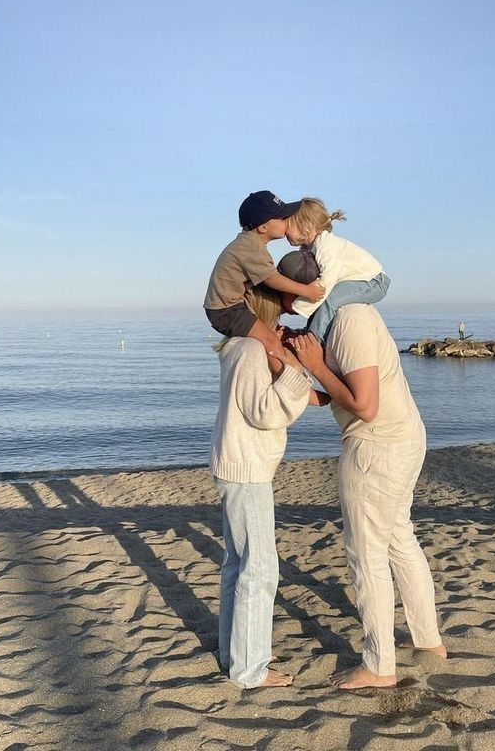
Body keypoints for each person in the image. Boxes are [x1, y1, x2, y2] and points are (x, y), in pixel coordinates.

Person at [276, 250, 446, 690]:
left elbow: (363, 405)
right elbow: (341, 391)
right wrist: (300, 357)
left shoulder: (350, 321)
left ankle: (378, 665)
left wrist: (313, 365)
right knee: (397, 539)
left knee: (366, 556)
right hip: (401, 437)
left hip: (376, 446)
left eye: (288, 294)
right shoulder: (346, 318)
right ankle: (428, 642)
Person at [210, 282, 328, 689]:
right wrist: (294, 371)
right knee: (259, 569)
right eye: (280, 307)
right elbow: (263, 411)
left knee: (238, 564)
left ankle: (236, 653)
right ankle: (249, 669)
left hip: (238, 465)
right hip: (246, 469)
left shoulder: (242, 347)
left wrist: (295, 377)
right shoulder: (249, 351)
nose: (284, 316)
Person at [204, 190, 325, 359]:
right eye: (282, 218)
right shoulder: (250, 248)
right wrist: (306, 291)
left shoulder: (250, 244)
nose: (287, 221)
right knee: (271, 342)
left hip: (233, 305)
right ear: (263, 227)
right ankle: (288, 371)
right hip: (226, 310)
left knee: (269, 334)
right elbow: (272, 279)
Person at [284, 197, 390, 344]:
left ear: (305, 225)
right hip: (360, 280)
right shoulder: (308, 248)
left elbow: (327, 281)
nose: (284, 230)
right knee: (326, 299)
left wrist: (297, 306)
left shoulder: (326, 246)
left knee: (330, 300)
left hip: (373, 281)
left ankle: (313, 342)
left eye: (287, 224)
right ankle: (309, 332)